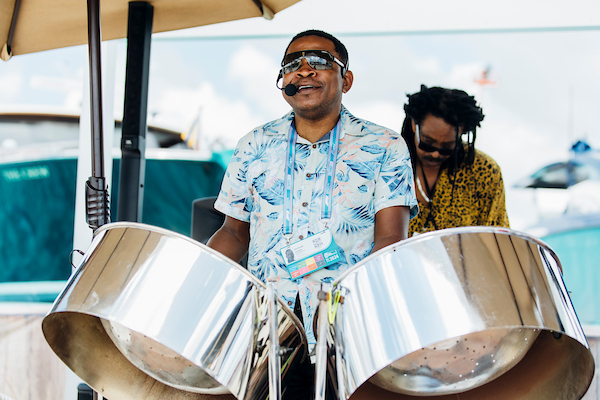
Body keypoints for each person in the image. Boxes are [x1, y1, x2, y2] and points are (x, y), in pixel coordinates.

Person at [207, 29, 418, 399]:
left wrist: (347, 305)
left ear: (345, 79)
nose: (304, 70)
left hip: (347, 325)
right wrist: (201, 285)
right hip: (267, 325)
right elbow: (233, 232)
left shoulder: (384, 145)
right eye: (292, 65)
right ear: (283, 82)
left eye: (319, 61)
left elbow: (390, 240)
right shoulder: (253, 145)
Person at [401, 85, 509, 237]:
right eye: (427, 143)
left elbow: (496, 240)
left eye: (447, 147)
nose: (436, 154)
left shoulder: (484, 170)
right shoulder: (388, 163)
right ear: (414, 125)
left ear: (462, 133)